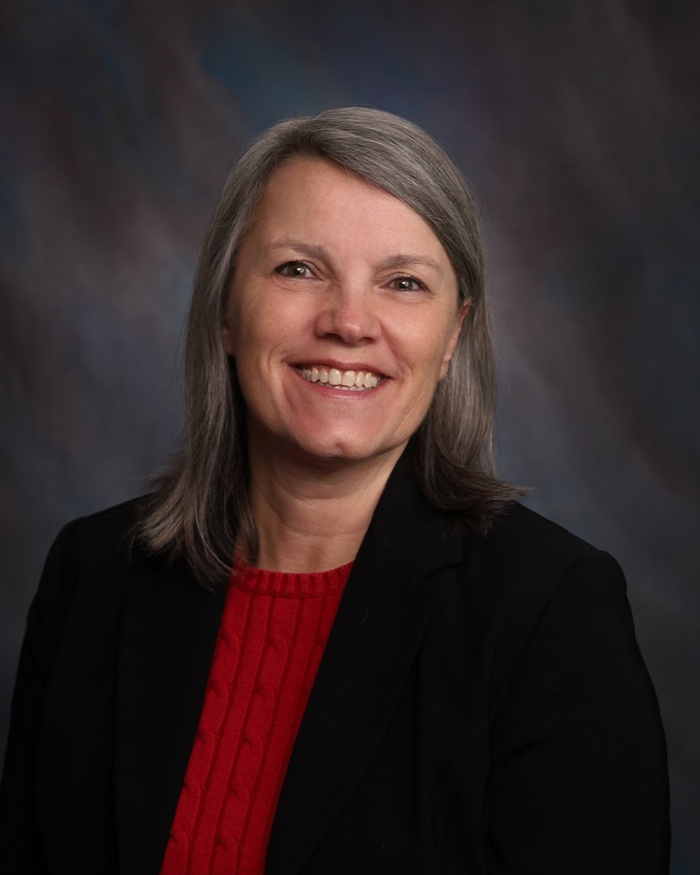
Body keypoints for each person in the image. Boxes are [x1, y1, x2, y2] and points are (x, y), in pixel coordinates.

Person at [0, 107, 669, 874]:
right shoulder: (94, 576)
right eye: (298, 269)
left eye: (403, 283)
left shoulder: (551, 612)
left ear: (452, 336)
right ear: (224, 308)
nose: (350, 322)